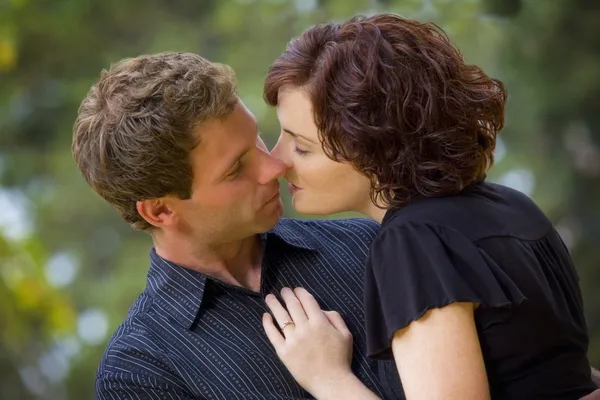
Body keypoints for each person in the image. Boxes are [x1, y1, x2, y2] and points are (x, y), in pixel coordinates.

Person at [260, 13, 599, 400]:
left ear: (375, 148)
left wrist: (327, 378)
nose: (277, 160)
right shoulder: (513, 207)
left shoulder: (413, 241)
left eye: (302, 147)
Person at [71, 51, 393, 399]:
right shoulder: (140, 375)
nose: (274, 168)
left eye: (255, 140)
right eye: (236, 169)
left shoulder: (370, 245)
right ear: (160, 211)